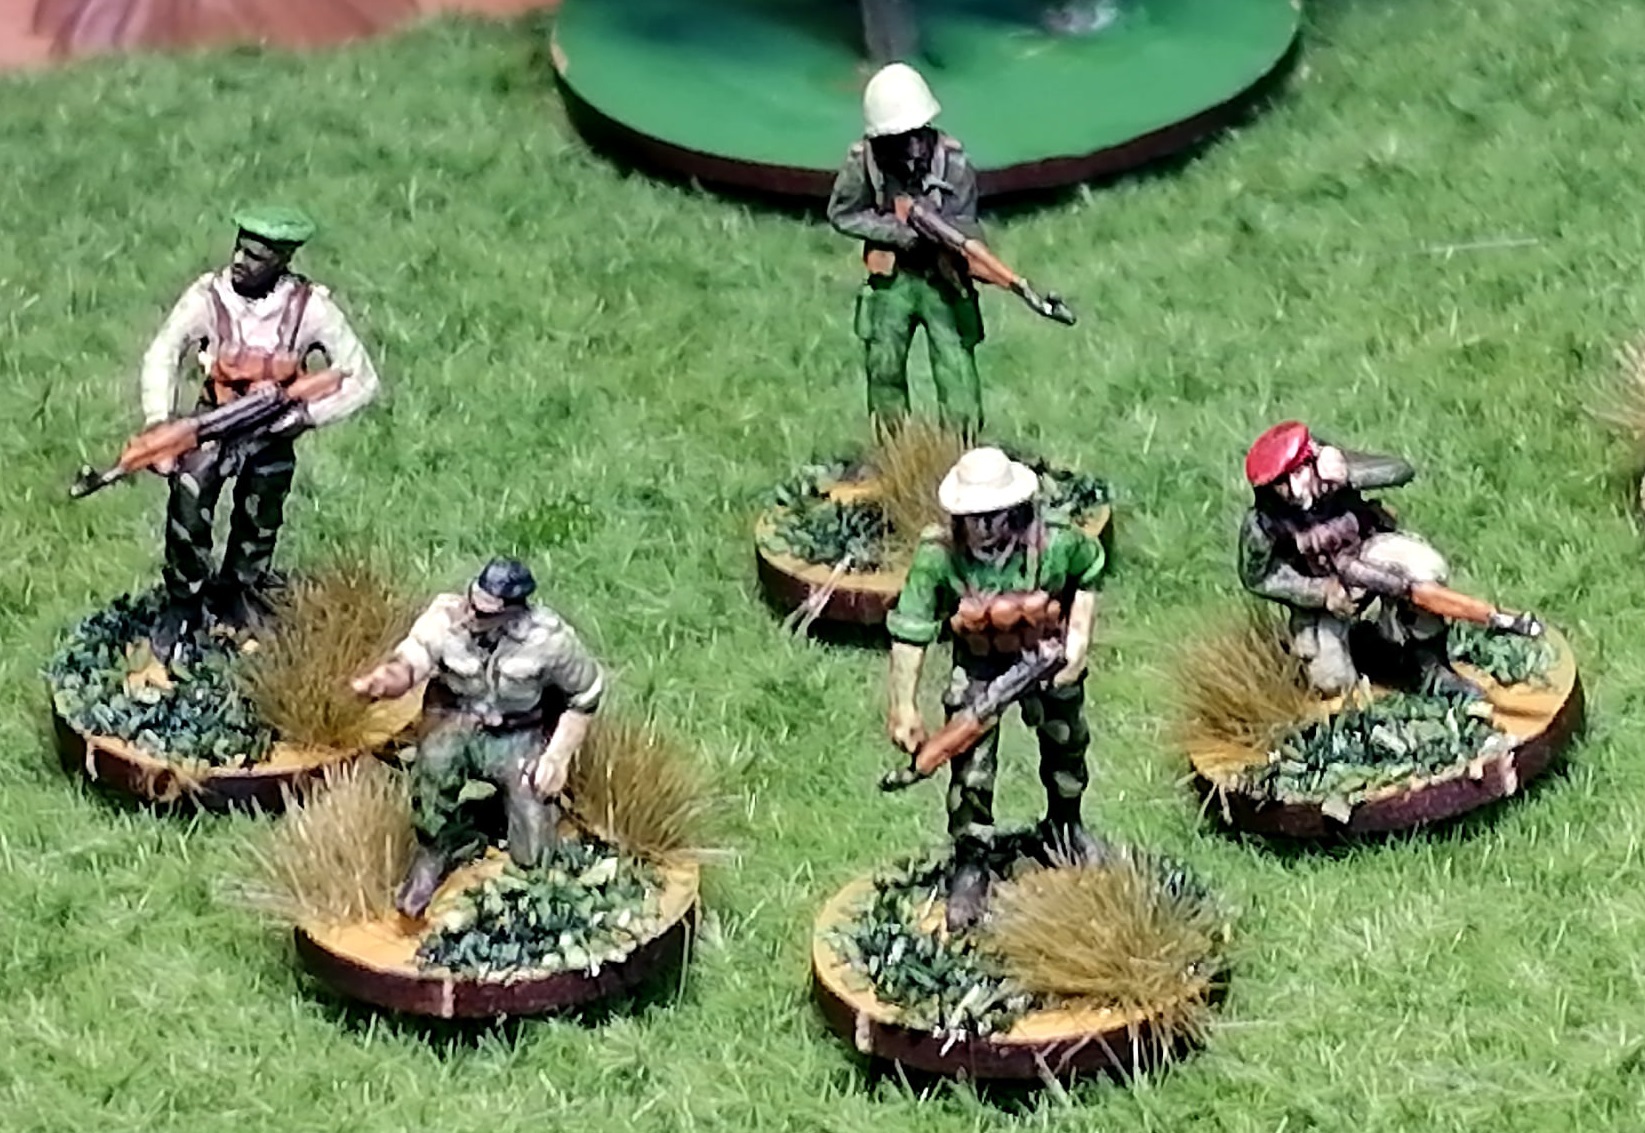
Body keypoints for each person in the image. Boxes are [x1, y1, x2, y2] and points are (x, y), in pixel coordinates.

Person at [137, 206, 380, 658]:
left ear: (281, 261)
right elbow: (164, 352)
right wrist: (158, 420)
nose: (240, 261)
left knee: (261, 513)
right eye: (240, 249)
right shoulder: (208, 298)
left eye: (256, 257)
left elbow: (361, 377)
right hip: (215, 421)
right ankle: (184, 601)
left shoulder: (310, 308)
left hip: (272, 431)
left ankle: (241, 595)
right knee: (189, 498)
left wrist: (306, 416)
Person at [884, 447, 1105, 930]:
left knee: (1067, 744)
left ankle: (1065, 826)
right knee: (970, 769)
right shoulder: (938, 558)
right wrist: (903, 705)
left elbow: (1090, 571)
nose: (983, 527)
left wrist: (1077, 642)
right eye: (972, 516)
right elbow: (911, 629)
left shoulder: (1057, 541)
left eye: (992, 515)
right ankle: (971, 860)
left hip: (1046, 659)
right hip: (980, 667)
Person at [352, 558, 605, 919]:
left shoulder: (549, 641)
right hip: (457, 721)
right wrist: (386, 680)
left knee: (534, 842)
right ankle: (434, 851)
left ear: (513, 611)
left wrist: (556, 757)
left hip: (517, 734)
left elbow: (586, 695)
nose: (470, 614)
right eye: (472, 601)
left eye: (483, 611)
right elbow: (413, 658)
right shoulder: (446, 618)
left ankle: (529, 884)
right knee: (434, 767)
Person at [1238, 420, 1482, 698]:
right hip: (1325, 588)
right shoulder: (1262, 524)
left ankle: (1432, 668)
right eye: (1281, 483)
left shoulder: (1333, 469)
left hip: (1369, 553)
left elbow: (1400, 470)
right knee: (1332, 680)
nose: (1293, 489)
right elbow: (1258, 578)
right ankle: (1367, 668)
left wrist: (1348, 472)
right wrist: (1319, 592)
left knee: (1423, 570)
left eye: (1297, 473)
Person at [826, 63, 985, 438]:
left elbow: (966, 224)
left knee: (955, 367)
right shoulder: (864, 161)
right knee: (884, 366)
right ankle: (893, 451)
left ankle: (963, 450)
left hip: (942, 280)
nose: (909, 146)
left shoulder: (953, 163)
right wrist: (897, 232)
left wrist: (943, 236)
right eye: (897, 137)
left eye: (914, 134)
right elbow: (842, 213)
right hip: (892, 279)